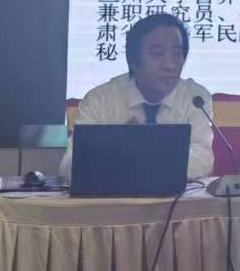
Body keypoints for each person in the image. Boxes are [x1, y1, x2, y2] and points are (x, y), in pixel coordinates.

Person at [60, 12, 216, 180]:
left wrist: (139, 152)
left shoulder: (195, 99)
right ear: (133, 61)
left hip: (176, 196)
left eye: (176, 54)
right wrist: (117, 145)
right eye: (158, 54)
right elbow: (69, 167)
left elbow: (203, 160)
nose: (170, 65)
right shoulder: (99, 100)